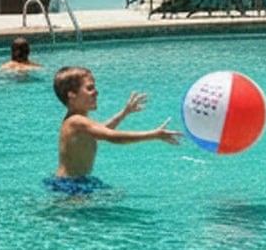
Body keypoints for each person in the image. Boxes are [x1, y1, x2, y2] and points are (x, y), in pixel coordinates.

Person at [47, 65, 180, 194]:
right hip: (70, 185)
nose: (96, 92)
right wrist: (154, 134)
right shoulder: (76, 121)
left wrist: (124, 112)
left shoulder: (78, 121)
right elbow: (113, 136)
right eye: (90, 88)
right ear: (72, 95)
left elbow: (100, 132)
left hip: (74, 182)